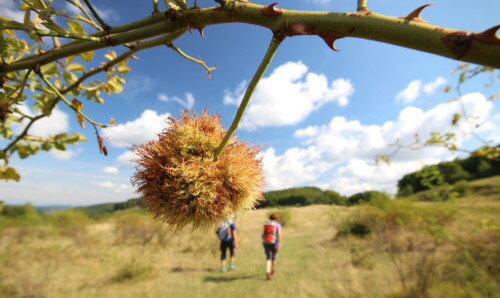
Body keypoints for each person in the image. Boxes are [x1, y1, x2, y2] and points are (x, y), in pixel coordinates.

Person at [262, 213, 282, 280]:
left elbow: (264, 233)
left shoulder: (266, 224)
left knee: (268, 257)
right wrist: (279, 243)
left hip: (266, 242)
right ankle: (273, 270)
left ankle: (267, 272)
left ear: (269, 218)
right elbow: (279, 234)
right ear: (276, 219)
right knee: (273, 257)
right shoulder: (277, 225)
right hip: (274, 243)